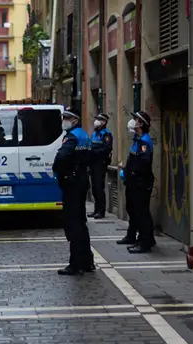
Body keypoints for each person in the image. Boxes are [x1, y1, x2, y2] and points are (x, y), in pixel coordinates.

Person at [53, 108, 94, 275]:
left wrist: (58, 170)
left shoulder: (72, 138)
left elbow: (62, 158)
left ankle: (75, 264)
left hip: (72, 182)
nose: (64, 120)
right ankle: (87, 262)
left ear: (75, 120)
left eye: (67, 118)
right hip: (82, 179)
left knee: (73, 224)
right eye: (64, 117)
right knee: (81, 223)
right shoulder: (84, 135)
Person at [118, 111, 156, 254]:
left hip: (140, 183)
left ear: (141, 124)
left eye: (135, 119)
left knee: (142, 213)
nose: (133, 121)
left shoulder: (144, 141)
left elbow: (144, 162)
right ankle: (132, 236)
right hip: (133, 182)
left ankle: (145, 241)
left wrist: (133, 173)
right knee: (132, 209)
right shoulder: (137, 139)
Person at [88, 113, 113, 219]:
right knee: (94, 188)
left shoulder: (106, 134)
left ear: (104, 122)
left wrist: (94, 152)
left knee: (99, 187)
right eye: (96, 119)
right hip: (93, 163)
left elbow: (107, 149)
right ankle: (96, 210)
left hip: (100, 163)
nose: (96, 121)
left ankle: (101, 211)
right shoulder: (95, 133)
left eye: (99, 119)